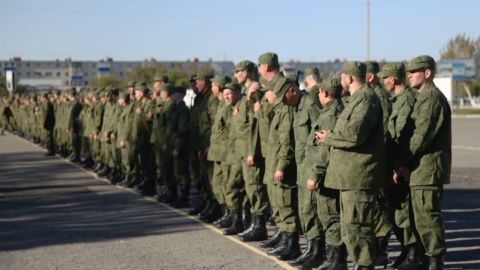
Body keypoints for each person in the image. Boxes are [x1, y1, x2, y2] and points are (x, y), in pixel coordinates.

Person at [317, 61, 385, 269]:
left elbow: (355, 136)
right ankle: (361, 263)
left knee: (358, 228)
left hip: (359, 176)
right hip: (350, 176)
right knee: (350, 228)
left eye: (342, 77)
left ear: (348, 78)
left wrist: (329, 137)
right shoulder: (357, 99)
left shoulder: (365, 99)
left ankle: (365, 265)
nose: (341, 81)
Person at [399, 55, 451, 270]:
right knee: (421, 217)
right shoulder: (423, 97)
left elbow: (420, 137)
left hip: (428, 168)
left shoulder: (431, 98)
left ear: (427, 73)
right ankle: (426, 259)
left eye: (414, 71)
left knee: (428, 218)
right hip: (420, 168)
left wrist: (401, 161)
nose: (409, 75)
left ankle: (435, 262)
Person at [377, 63, 417, 269]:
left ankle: (413, 254)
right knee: (397, 211)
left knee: (404, 212)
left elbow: (404, 137)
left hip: (401, 166)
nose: (383, 82)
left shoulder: (407, 100)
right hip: (394, 164)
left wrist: (399, 166)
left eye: (385, 78)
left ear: (392, 79)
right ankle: (406, 251)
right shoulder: (399, 100)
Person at [282, 77, 324, 269]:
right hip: (301, 166)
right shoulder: (296, 106)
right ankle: (310, 248)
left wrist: (315, 170)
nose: (284, 102)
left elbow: (320, 136)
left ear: (293, 90)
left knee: (310, 209)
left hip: (310, 165)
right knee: (304, 210)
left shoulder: (309, 104)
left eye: (284, 96)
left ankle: (317, 251)